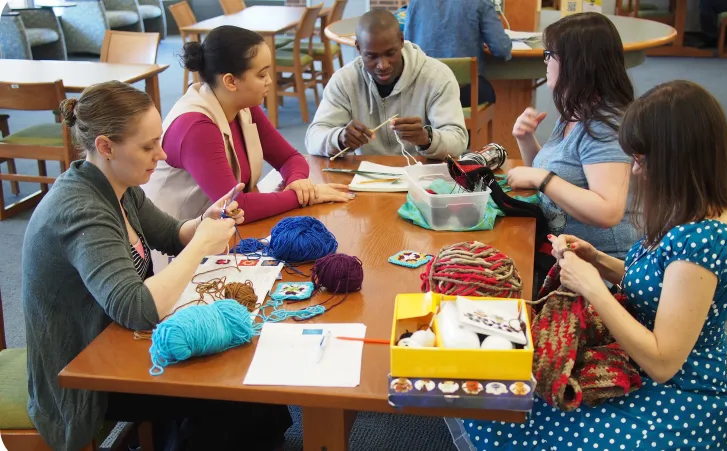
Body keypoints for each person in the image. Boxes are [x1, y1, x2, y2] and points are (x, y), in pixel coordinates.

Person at [458, 79, 727, 451]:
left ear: (678, 159)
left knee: (501, 413)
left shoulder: (705, 241)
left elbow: (662, 362)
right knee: (500, 395)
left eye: (642, 160)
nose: (638, 171)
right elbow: (663, 286)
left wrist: (592, 286)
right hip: (643, 371)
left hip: (680, 400)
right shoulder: (692, 212)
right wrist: (600, 260)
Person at [21, 81, 293, 451]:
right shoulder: (80, 210)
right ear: (105, 146)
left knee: (244, 363)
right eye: (149, 146)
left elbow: (171, 233)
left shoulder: (118, 184)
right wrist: (202, 245)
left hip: (115, 342)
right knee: (230, 388)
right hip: (82, 375)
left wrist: (205, 221)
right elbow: (137, 309)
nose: (163, 155)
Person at [144, 25, 353, 228]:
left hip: (217, 232)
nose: (270, 81)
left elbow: (290, 158)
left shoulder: (241, 106)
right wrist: (301, 197)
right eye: (261, 75)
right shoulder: (196, 127)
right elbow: (235, 206)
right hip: (174, 250)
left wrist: (298, 183)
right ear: (231, 82)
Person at [506, 12, 637, 260]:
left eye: (550, 55)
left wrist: (541, 177)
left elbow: (608, 211)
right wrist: (526, 140)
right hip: (567, 256)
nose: (545, 61)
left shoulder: (604, 125)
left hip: (604, 266)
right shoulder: (576, 111)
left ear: (576, 63)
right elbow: (560, 179)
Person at [305, 9, 468, 160]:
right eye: (371, 56)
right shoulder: (345, 81)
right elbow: (313, 138)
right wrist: (339, 138)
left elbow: (458, 141)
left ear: (401, 42)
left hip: (422, 177)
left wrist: (427, 138)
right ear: (359, 49)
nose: (382, 65)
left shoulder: (437, 76)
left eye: (390, 53)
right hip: (366, 178)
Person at [403, 0, 512, 107]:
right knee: (486, 91)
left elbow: (407, 47)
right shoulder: (480, 2)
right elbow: (502, 49)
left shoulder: (415, 3)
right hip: (464, 92)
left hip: (425, 92)